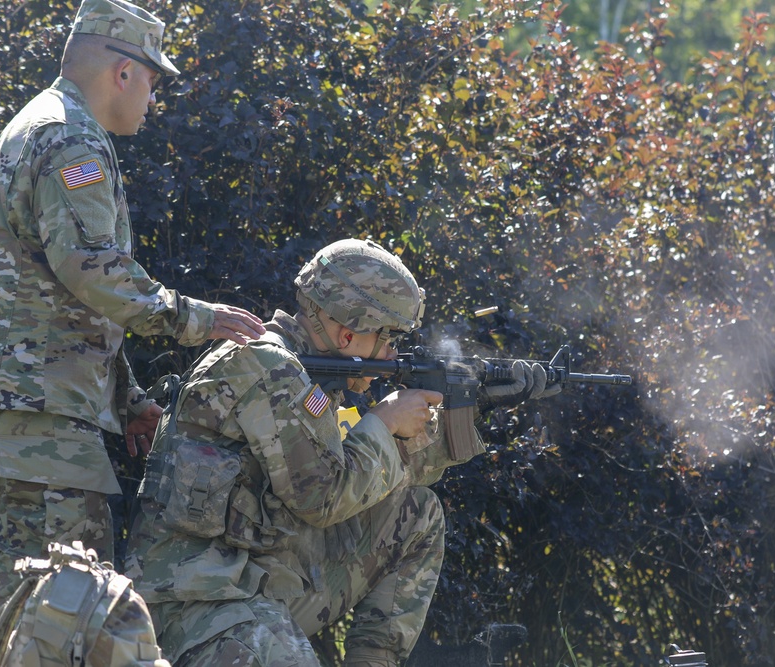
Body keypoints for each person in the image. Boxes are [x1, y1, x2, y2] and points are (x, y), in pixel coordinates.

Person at [0, 0, 265, 622]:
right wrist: (196, 320)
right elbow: (92, 270)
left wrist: (127, 401)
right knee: (58, 603)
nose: (154, 98)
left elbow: (63, 294)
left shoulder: (49, 125)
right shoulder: (69, 138)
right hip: (38, 402)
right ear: (123, 72)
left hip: (34, 398)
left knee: (51, 598)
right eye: (152, 79)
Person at [124, 238, 556, 667]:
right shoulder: (268, 367)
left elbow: (375, 475)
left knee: (416, 514)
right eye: (388, 339)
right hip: (192, 600)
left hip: (256, 581)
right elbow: (324, 498)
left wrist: (475, 404)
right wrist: (385, 423)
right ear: (349, 332)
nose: (392, 354)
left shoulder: (311, 379)